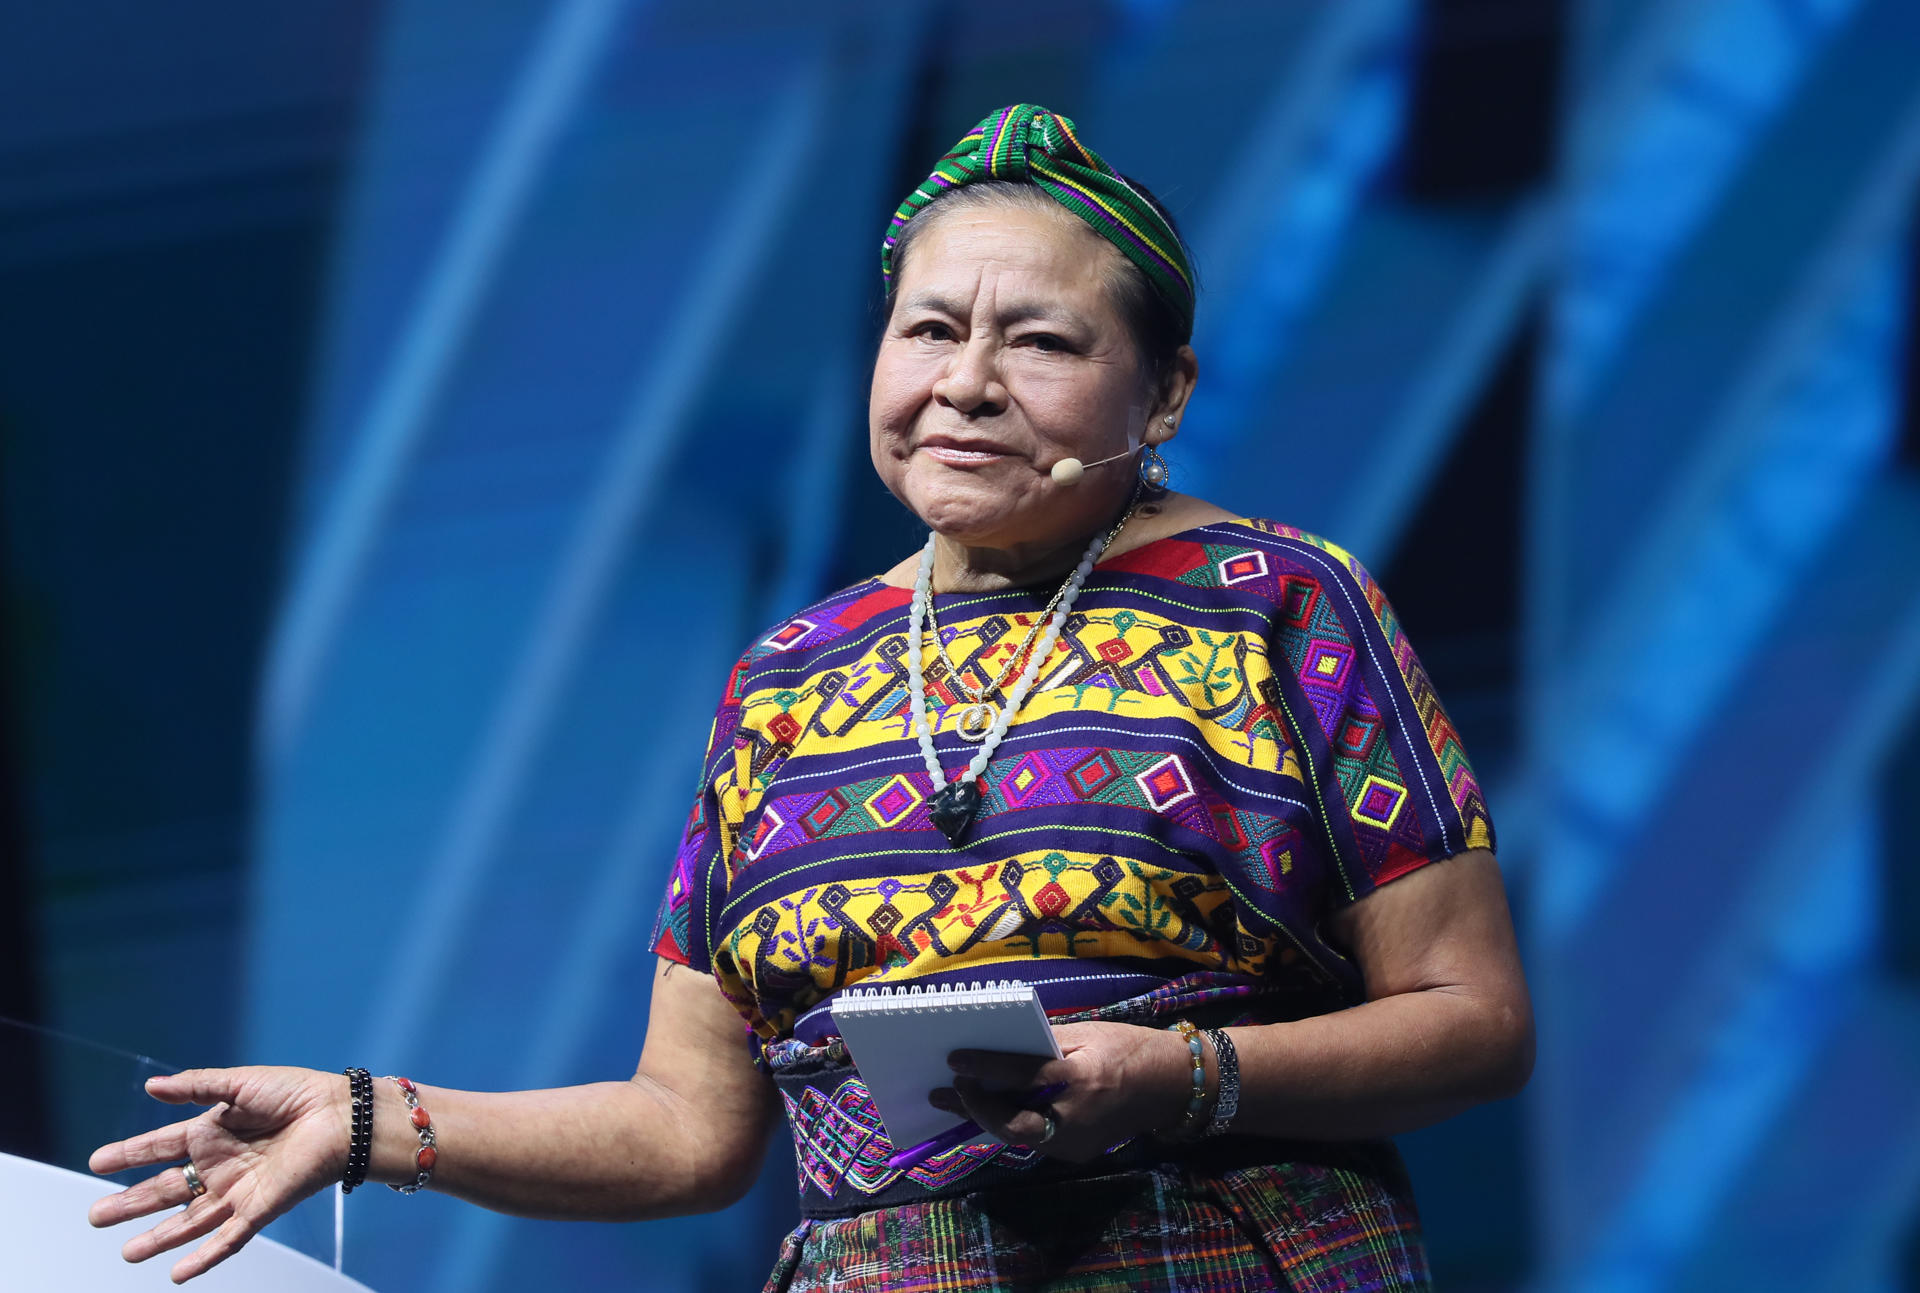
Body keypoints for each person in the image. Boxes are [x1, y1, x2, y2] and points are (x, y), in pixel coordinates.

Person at [85, 104, 1531, 1290]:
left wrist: (1180, 1074)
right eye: (927, 330)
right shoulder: (788, 677)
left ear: (1163, 393)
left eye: (1040, 341)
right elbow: (688, 1127)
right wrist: (363, 1121)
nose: (966, 384)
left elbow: (1473, 1016)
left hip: (1215, 1260)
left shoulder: (1283, 599)